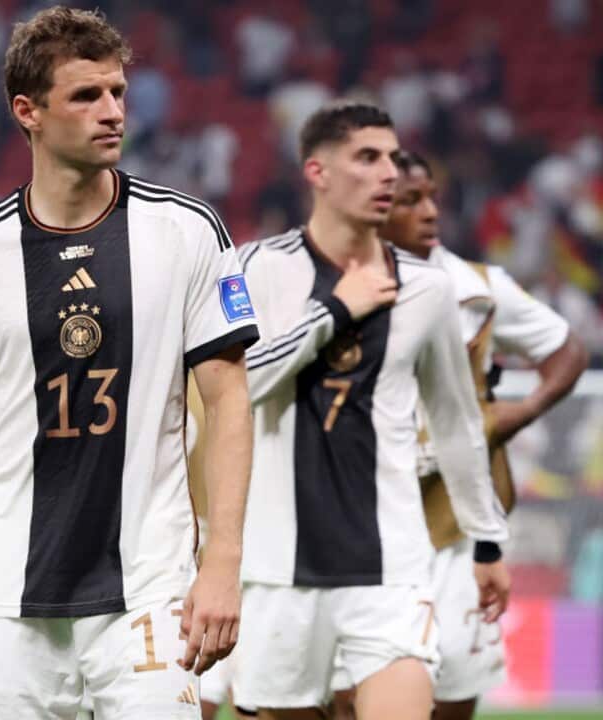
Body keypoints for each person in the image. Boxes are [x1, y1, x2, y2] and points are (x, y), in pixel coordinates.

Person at [0, 7, 259, 718]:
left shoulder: (186, 231)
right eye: (85, 95)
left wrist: (223, 561)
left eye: (116, 93)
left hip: (147, 590)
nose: (111, 112)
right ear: (29, 112)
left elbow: (228, 400)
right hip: (3, 601)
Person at [231, 102, 512, 720]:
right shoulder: (250, 268)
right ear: (318, 172)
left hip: (391, 566)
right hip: (278, 569)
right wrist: (332, 310)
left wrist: (487, 542)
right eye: (367, 157)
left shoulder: (429, 289)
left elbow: (458, 424)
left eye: (392, 156)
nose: (388, 172)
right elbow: (236, 385)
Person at [385, 150, 587, 720]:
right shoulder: (346, 288)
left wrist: (517, 415)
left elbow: (566, 350)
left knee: (454, 691)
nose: (429, 213)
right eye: (410, 201)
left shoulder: (478, 285)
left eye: (432, 199)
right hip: (372, 523)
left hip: (459, 525)